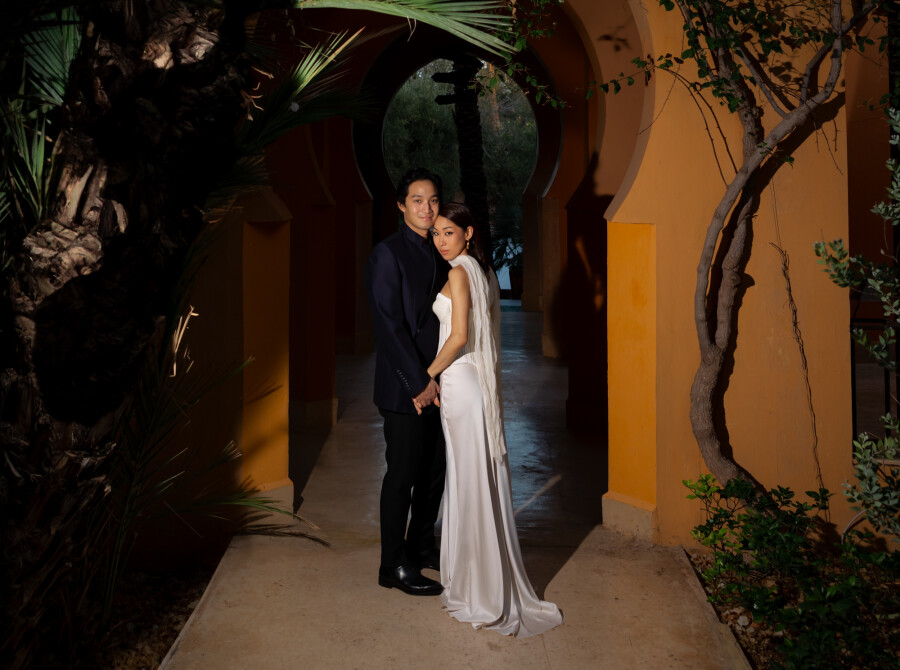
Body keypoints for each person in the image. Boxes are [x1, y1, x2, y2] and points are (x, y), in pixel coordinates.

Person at [421, 201, 563, 636]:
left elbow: (460, 337)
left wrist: (426, 377)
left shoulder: (459, 273)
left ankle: (479, 592)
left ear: (468, 233)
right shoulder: (481, 272)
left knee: (469, 482)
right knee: (473, 480)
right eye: (436, 233)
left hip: (460, 383)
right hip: (474, 386)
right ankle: (479, 583)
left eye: (449, 232)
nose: (441, 241)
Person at [364, 168, 449, 596]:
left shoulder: (440, 249)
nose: (426, 209)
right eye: (417, 200)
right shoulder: (387, 254)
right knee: (403, 474)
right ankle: (391, 565)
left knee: (436, 471)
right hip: (405, 388)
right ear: (401, 206)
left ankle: (419, 548)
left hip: (440, 381)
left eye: (433, 201)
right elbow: (389, 326)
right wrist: (418, 383)